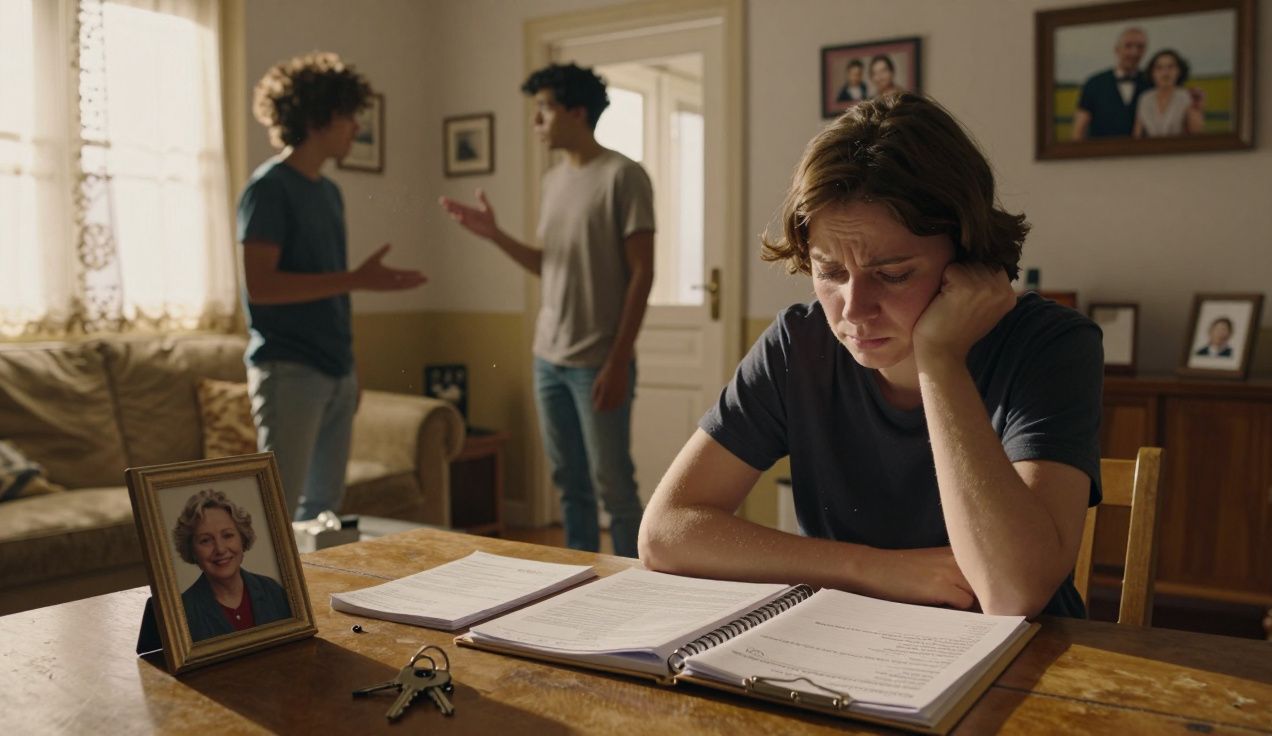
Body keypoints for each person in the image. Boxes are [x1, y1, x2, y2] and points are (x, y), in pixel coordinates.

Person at [638, 93, 1104, 618]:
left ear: (969, 256)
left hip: (1029, 665)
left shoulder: (1051, 346)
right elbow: (666, 531)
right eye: (830, 272)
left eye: (893, 273)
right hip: (854, 646)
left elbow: (1012, 593)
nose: (854, 310)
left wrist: (940, 359)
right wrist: (874, 567)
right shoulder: (800, 343)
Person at [439, 63, 655, 558]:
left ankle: (637, 579)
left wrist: (619, 360)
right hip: (548, 358)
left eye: (544, 110)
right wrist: (494, 235)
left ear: (576, 112)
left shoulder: (624, 176)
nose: (536, 122)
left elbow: (643, 273)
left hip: (598, 361)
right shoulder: (554, 180)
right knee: (568, 482)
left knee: (614, 486)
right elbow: (549, 263)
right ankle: (577, 575)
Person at [239, 52, 426, 521]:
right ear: (320, 118)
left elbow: (333, 295)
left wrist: (350, 366)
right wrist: (358, 279)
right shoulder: (268, 189)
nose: (355, 130)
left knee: (324, 511)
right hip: (289, 372)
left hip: (335, 370)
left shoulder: (328, 192)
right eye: (348, 118)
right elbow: (260, 287)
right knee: (275, 510)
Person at [173, 488, 291, 642]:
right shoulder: (183, 613)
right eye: (205, 540)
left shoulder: (273, 591)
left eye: (227, 535)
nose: (220, 549)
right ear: (192, 550)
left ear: (242, 539)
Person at [1071, 27, 1151, 140]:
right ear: (1116, 49)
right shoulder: (1094, 83)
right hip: (1101, 154)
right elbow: (1079, 129)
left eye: (1140, 47)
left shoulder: (1151, 82)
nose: (1134, 52)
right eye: (1128, 46)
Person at [1133, 49, 1205, 138]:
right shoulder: (1145, 98)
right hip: (1150, 150)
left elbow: (1196, 133)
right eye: (1159, 68)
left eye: (1170, 67)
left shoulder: (1186, 97)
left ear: (1179, 71)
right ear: (1152, 73)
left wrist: (1196, 110)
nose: (1165, 73)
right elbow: (1137, 134)